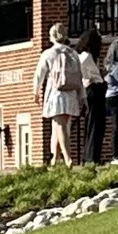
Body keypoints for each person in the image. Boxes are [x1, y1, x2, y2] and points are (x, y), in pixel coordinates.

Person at [33, 22, 84, 165]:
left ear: (51, 37)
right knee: (58, 126)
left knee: (59, 126)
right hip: (71, 93)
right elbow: (79, 75)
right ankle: (55, 159)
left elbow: (39, 74)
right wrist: (82, 95)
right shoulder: (73, 53)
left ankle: (68, 158)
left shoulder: (48, 54)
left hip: (56, 93)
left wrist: (35, 91)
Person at [76, 30, 108, 165]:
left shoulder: (86, 56)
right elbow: (87, 74)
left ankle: (92, 155)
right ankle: (91, 156)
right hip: (93, 90)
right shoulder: (86, 57)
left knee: (94, 125)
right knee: (95, 125)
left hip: (93, 90)